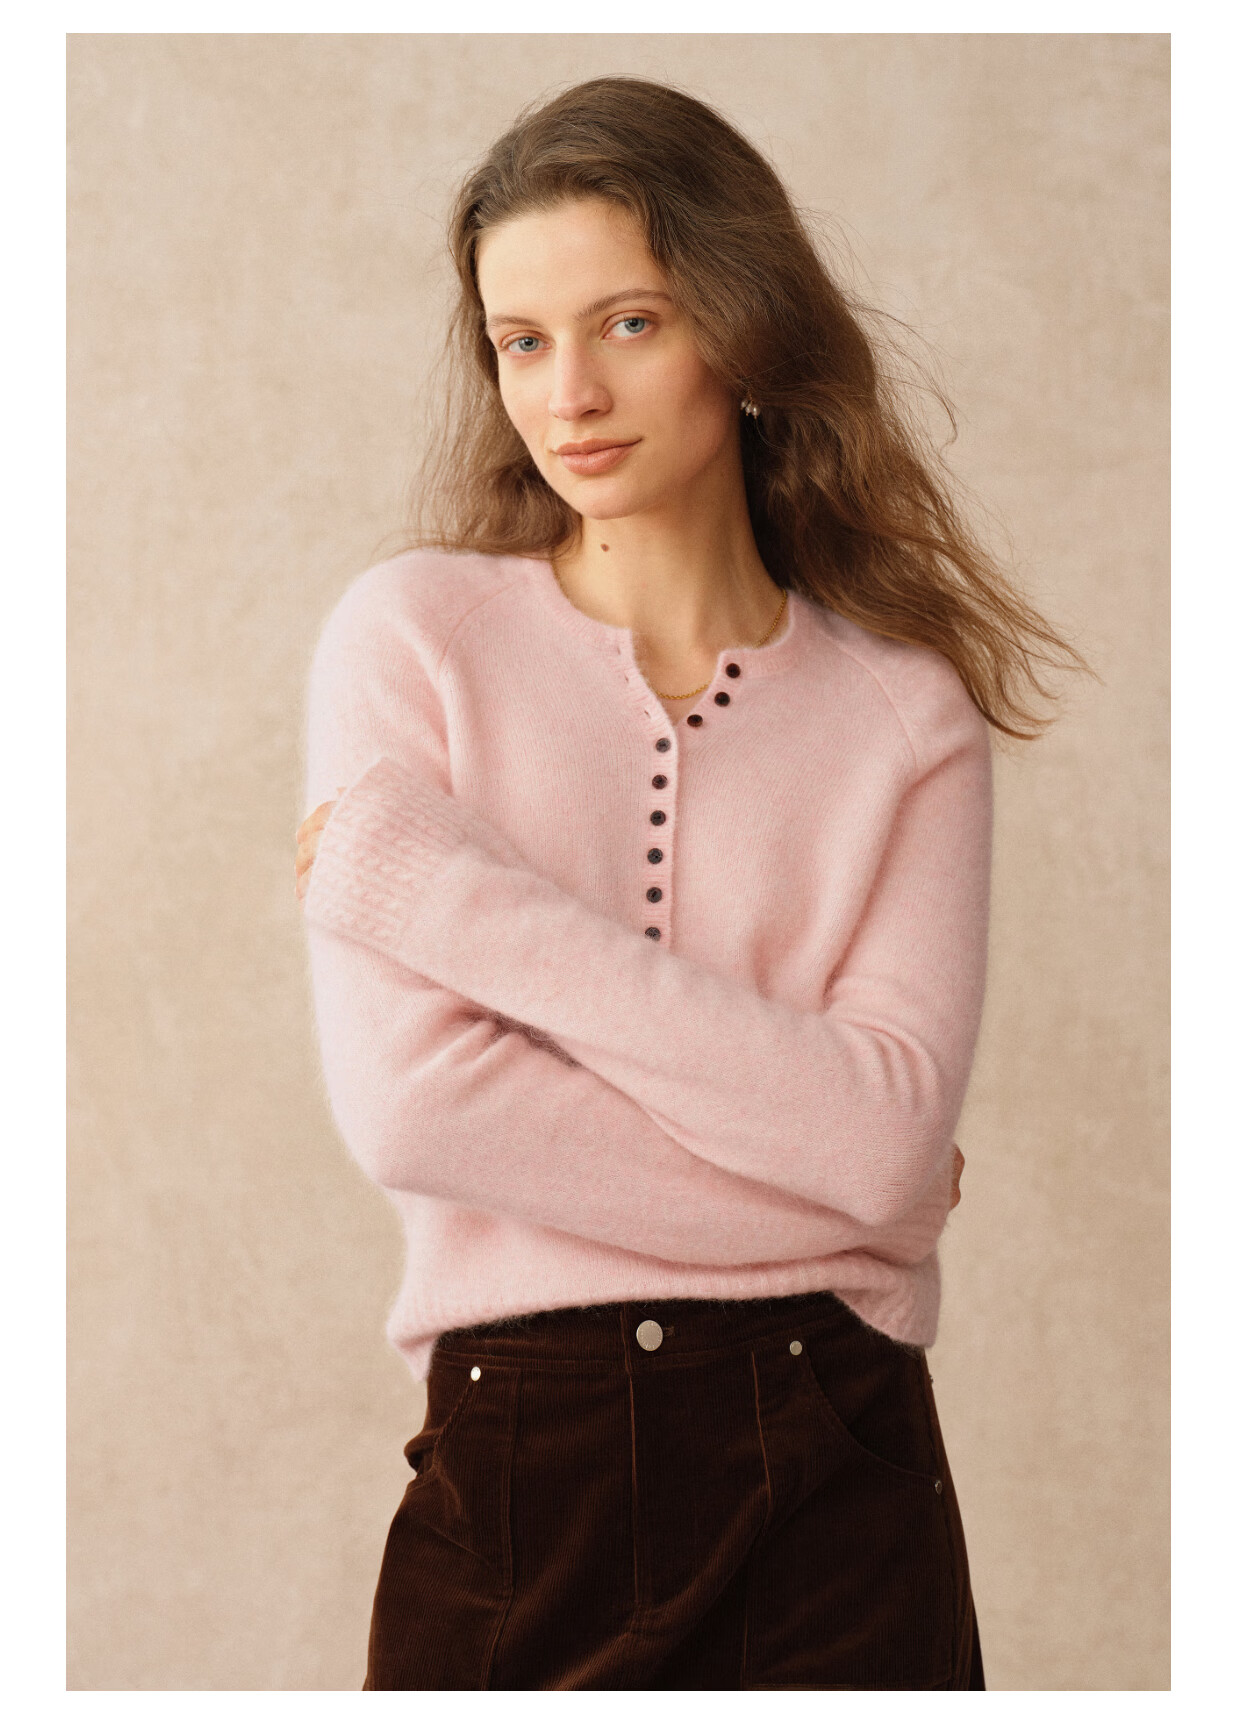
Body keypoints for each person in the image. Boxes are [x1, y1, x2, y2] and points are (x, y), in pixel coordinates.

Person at [293, 76, 1087, 1691]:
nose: (568, 392)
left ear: (742, 327)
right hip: (522, 1457)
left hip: (840, 1463)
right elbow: (419, 1114)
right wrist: (856, 1191)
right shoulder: (412, 639)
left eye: (629, 323)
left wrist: (442, 899)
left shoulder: (905, 712)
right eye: (520, 341)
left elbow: (884, 1138)